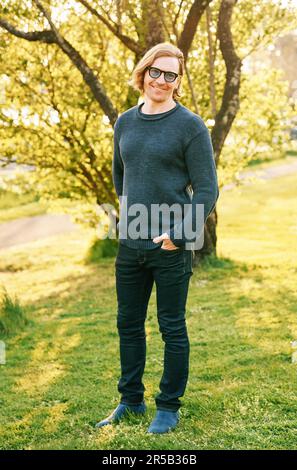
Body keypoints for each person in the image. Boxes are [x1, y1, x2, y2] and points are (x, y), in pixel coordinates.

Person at [95, 42, 219, 434]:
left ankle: (168, 406)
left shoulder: (190, 126)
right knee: (128, 324)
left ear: (178, 81)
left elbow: (207, 191)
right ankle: (130, 401)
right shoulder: (125, 122)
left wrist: (179, 234)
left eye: (171, 75)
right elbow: (121, 176)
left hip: (171, 245)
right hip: (131, 242)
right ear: (143, 72)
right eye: (156, 71)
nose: (162, 81)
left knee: (171, 326)